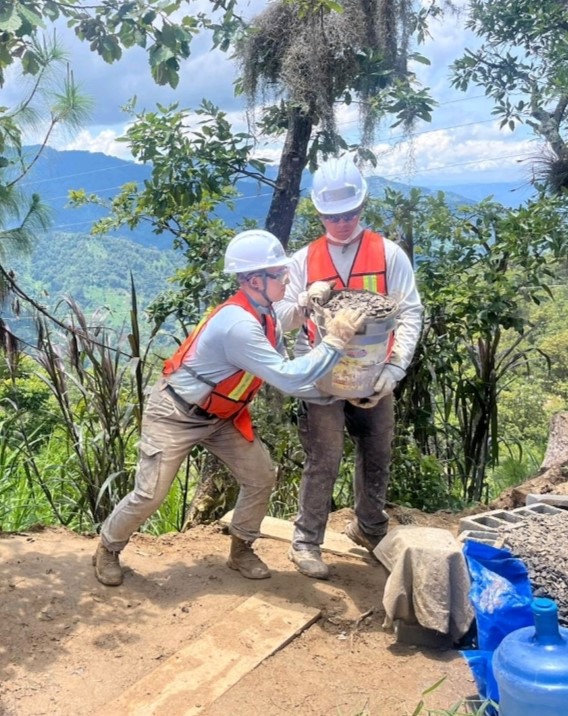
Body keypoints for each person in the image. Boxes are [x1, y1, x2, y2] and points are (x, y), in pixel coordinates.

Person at [92, 229, 365, 586]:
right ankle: (108, 547)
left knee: (261, 475)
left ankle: (241, 548)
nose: (287, 277)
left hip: (221, 417)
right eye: (279, 273)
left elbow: (282, 321)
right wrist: (336, 341)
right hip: (175, 413)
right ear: (255, 279)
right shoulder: (238, 325)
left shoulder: (260, 309)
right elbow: (291, 380)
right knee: (150, 494)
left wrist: (303, 305)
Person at [274, 156, 423, 579]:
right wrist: (302, 301)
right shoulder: (304, 260)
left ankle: (370, 528)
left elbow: (410, 312)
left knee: (376, 452)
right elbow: (283, 316)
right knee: (324, 457)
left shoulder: (388, 254)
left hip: (373, 373)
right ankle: (306, 540)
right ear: (319, 213)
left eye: (349, 214)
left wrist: (394, 369)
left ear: (362, 208)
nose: (341, 222)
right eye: (332, 215)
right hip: (321, 373)